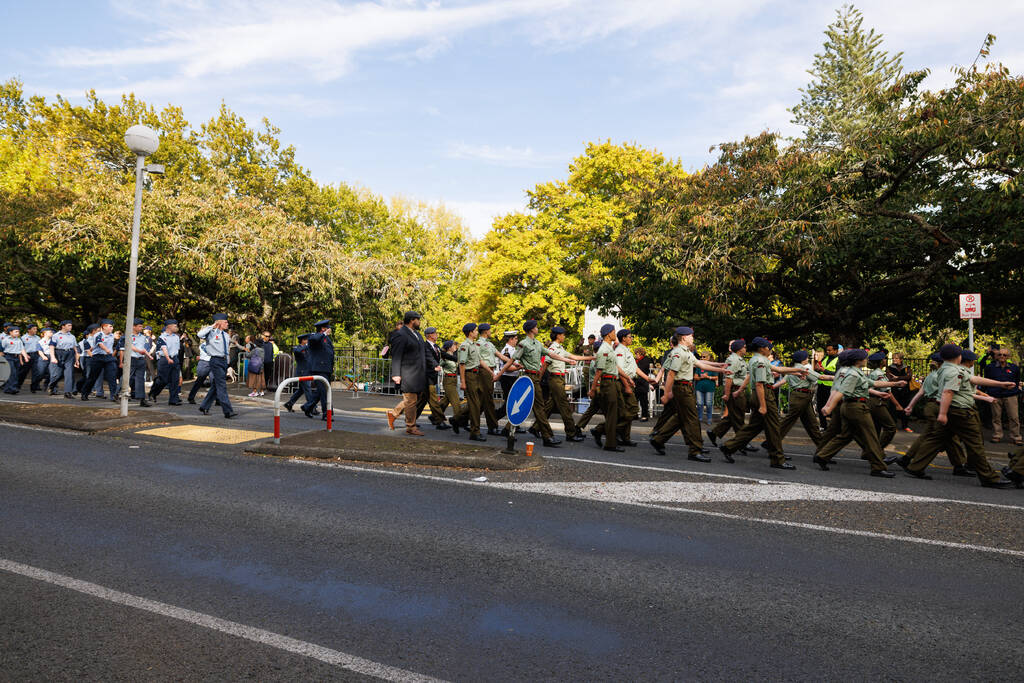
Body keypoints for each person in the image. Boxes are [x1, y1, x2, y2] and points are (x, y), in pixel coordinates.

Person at [898, 344, 1015, 487]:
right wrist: (942, 413)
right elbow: (948, 392)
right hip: (960, 411)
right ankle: (989, 478)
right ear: (958, 357)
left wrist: (1000, 384)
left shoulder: (946, 369)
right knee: (975, 444)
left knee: (936, 439)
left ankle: (915, 467)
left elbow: (973, 380)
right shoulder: (954, 372)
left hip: (954, 411)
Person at [814, 349, 905, 477]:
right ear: (858, 361)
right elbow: (841, 391)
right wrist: (829, 407)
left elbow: (873, 383)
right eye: (865, 358)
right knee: (871, 437)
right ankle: (878, 467)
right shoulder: (853, 374)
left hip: (852, 407)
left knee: (846, 435)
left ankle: (823, 456)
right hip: (856, 407)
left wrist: (894, 384)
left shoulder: (855, 372)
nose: (866, 360)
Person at [718, 337, 807, 469]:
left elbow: (779, 370)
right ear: (762, 348)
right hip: (764, 394)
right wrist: (763, 406)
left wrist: (797, 371)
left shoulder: (758, 359)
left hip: (761, 394)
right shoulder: (760, 361)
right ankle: (778, 459)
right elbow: (760, 384)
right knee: (774, 428)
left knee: (753, 427)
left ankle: (728, 447)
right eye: (768, 347)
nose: (770, 349)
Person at [650, 327, 730, 460]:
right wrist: (666, 393)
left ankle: (658, 439)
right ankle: (694, 450)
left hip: (684, 388)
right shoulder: (678, 353)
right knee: (692, 419)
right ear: (683, 337)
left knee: (680, 418)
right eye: (691, 336)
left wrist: (720, 367)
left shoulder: (684, 351)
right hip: (682, 388)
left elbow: (700, 364)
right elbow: (671, 373)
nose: (693, 338)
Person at [496, 320, 577, 447]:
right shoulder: (523, 344)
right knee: (539, 407)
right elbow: (511, 360)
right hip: (528, 377)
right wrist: (498, 375)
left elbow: (551, 354)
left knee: (524, 405)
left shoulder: (537, 343)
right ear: (531, 329)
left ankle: (507, 430)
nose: (537, 328)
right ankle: (547, 437)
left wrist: (567, 359)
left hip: (534, 377)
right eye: (536, 327)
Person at [902, 352, 971, 475]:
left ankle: (958, 465)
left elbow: (920, 393)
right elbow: (949, 392)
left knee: (944, 436)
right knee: (937, 437)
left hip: (930, 406)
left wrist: (910, 406)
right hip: (937, 406)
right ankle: (910, 460)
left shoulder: (931, 375)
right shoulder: (941, 376)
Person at [545, 326, 595, 443]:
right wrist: (538, 378)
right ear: (558, 335)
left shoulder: (560, 348)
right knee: (565, 407)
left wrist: (592, 357)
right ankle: (571, 433)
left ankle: (536, 427)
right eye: (563, 334)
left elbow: (574, 356)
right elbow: (545, 364)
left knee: (550, 406)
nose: (564, 336)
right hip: (555, 378)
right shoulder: (552, 348)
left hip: (559, 379)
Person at [775, 350, 829, 448]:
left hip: (801, 397)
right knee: (788, 422)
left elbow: (783, 381)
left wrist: (773, 387)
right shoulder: (802, 369)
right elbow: (821, 377)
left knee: (811, 423)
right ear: (802, 359)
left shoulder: (792, 369)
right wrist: (838, 377)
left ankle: (823, 450)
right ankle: (771, 441)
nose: (808, 359)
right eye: (806, 357)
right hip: (801, 397)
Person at [707, 339, 753, 451]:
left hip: (737, 390)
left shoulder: (739, 359)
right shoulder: (733, 360)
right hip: (734, 390)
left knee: (733, 416)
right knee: (738, 418)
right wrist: (727, 394)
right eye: (744, 347)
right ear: (739, 349)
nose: (746, 349)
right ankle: (742, 442)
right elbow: (729, 378)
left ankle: (714, 433)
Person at [588, 324, 627, 453]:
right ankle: (610, 444)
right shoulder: (604, 349)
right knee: (612, 415)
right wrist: (593, 389)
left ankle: (599, 431)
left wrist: (628, 378)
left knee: (621, 413)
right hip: (608, 383)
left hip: (613, 382)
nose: (615, 334)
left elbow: (615, 367)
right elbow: (599, 370)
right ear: (608, 334)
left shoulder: (609, 348)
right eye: (614, 332)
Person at [388, 311, 427, 436]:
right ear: (412, 320)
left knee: (414, 399)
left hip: (418, 374)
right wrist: (396, 374)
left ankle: (394, 413)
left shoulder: (417, 334)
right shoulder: (401, 334)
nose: (419, 322)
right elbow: (396, 354)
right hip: (407, 373)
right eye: (418, 319)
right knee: (410, 400)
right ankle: (411, 426)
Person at [197, 314, 239, 418]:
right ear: (219, 322)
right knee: (222, 386)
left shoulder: (225, 335)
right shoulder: (210, 332)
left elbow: (227, 350)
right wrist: (212, 326)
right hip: (215, 360)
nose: (227, 323)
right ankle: (228, 411)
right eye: (225, 322)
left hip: (224, 361)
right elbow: (199, 334)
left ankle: (204, 406)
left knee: (216, 386)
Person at [984, 347, 1021, 445]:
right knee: (996, 417)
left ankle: (1016, 437)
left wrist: (1015, 390)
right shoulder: (990, 367)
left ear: (1008, 356)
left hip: (1010, 395)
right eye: (1000, 354)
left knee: (1014, 417)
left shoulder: (1014, 368)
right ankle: (997, 435)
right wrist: (988, 393)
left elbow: (1017, 381)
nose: (1002, 357)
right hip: (995, 395)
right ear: (997, 356)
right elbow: (986, 380)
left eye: (1004, 355)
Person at [415, 326, 450, 430]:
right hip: (426, 377)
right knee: (434, 400)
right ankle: (439, 421)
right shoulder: (425, 346)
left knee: (422, 401)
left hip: (431, 377)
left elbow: (443, 354)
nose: (436, 335)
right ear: (429, 335)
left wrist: (456, 358)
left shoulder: (436, 346)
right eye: (435, 333)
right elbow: (429, 358)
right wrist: (436, 365)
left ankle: (411, 419)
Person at [455, 322, 486, 441]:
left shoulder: (475, 345)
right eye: (475, 330)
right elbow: (462, 364)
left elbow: (480, 361)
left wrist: (491, 372)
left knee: (480, 403)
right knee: (474, 405)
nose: (477, 332)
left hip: (477, 374)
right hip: (469, 375)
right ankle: (475, 432)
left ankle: (457, 419)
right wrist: (463, 381)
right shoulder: (465, 345)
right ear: (470, 333)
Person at [302, 319, 335, 421]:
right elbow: (315, 339)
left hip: (326, 369)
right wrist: (324, 334)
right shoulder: (314, 336)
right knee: (324, 391)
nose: (330, 330)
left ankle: (307, 407)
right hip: (318, 369)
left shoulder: (327, 339)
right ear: (323, 329)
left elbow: (330, 353)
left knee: (321, 391)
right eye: (327, 328)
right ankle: (326, 413)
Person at [80, 319, 119, 401]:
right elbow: (100, 344)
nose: (112, 328)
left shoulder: (112, 335)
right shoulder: (98, 335)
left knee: (112, 376)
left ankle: (114, 395)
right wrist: (106, 349)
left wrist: (93, 348)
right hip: (98, 357)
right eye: (110, 326)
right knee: (93, 377)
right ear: (104, 327)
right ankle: (85, 393)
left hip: (108, 358)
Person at [476, 323, 502, 435]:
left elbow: (500, 355)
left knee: (483, 400)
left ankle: (459, 419)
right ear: (486, 331)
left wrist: (514, 362)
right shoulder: (479, 343)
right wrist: (491, 372)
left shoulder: (490, 344)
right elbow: (479, 360)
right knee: (488, 400)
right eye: (490, 330)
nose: (491, 332)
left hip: (490, 370)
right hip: (484, 371)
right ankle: (492, 426)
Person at [147, 320, 182, 405]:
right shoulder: (162, 337)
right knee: (163, 380)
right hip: (164, 360)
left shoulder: (176, 337)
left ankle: (173, 400)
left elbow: (177, 349)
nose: (176, 327)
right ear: (169, 326)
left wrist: (175, 360)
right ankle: (153, 393)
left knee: (175, 380)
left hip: (174, 359)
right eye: (174, 326)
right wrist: (168, 358)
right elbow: (164, 348)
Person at [438, 340, 468, 432]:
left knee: (445, 402)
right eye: (454, 345)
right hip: (448, 380)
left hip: (454, 380)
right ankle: (456, 421)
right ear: (449, 347)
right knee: (456, 403)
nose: (455, 346)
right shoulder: (444, 357)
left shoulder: (455, 356)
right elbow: (438, 365)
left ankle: (435, 416)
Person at [126, 318, 154, 406]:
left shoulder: (143, 337)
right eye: (139, 326)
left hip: (141, 359)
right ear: (133, 327)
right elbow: (129, 346)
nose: (141, 328)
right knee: (128, 377)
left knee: (140, 379)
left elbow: (144, 348)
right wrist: (138, 351)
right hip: (131, 358)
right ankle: (117, 393)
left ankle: (142, 399)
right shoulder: (128, 335)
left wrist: (148, 355)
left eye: (142, 326)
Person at [283, 334, 313, 413]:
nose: (308, 341)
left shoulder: (308, 348)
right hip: (302, 372)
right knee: (308, 389)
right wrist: (307, 345)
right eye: (306, 340)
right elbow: (298, 351)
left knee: (302, 390)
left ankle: (289, 403)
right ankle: (312, 407)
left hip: (308, 371)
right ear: (303, 340)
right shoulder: (297, 348)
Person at [48, 321, 78, 397]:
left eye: (71, 325)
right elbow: (51, 346)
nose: (70, 327)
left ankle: (67, 392)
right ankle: (51, 385)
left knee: (69, 373)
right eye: (69, 325)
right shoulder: (56, 336)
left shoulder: (72, 336)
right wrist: (53, 357)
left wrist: (77, 360)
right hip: (59, 353)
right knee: (58, 374)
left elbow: (75, 348)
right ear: (63, 326)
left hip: (70, 354)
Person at [496, 331, 520, 424]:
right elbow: (507, 368)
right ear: (511, 339)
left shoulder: (513, 349)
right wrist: (519, 367)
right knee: (510, 403)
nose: (517, 341)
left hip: (512, 378)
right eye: (516, 338)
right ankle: (494, 417)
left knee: (514, 402)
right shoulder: (507, 350)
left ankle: (514, 424)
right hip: (507, 378)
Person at [885, 353, 914, 431]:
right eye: (893, 358)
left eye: (896, 358)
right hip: (894, 390)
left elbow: (909, 377)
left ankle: (905, 426)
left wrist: (897, 377)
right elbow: (889, 378)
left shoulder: (907, 368)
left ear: (901, 360)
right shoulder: (889, 368)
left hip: (905, 391)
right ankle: (894, 426)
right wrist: (902, 379)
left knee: (905, 407)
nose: (894, 359)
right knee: (893, 408)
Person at [187, 335, 216, 405]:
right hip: (204, 363)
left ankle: (217, 399)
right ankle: (191, 397)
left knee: (214, 382)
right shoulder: (204, 345)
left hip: (212, 363)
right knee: (199, 381)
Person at [816, 343, 840, 428]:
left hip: (831, 387)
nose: (828, 352)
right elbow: (820, 370)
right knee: (820, 406)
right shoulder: (825, 358)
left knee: (832, 407)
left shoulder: (838, 360)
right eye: (827, 350)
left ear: (836, 350)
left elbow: (838, 374)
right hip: (821, 385)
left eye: (830, 350)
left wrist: (824, 370)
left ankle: (834, 427)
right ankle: (823, 425)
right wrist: (818, 369)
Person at [2, 326, 30, 394]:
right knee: (12, 372)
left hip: (16, 357)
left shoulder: (19, 340)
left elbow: (22, 349)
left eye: (18, 332)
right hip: (9, 357)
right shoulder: (5, 340)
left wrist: (25, 357)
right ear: (10, 332)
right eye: (16, 332)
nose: (18, 333)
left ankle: (7, 388)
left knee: (16, 373)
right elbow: (2, 349)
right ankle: (13, 388)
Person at [694, 351, 718, 425]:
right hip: (699, 388)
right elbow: (695, 377)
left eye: (704, 357)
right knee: (700, 403)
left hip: (709, 388)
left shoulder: (712, 367)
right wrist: (701, 377)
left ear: (708, 358)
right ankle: (700, 418)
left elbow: (716, 377)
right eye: (701, 357)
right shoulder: (699, 366)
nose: (702, 358)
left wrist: (708, 377)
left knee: (709, 404)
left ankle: (709, 418)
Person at [634, 347, 652, 421]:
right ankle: (634, 415)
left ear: (640, 353)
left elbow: (642, 370)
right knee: (634, 400)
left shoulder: (645, 360)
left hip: (642, 382)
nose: (636, 355)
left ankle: (645, 415)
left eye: (636, 354)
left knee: (643, 401)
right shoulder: (636, 360)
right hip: (636, 382)